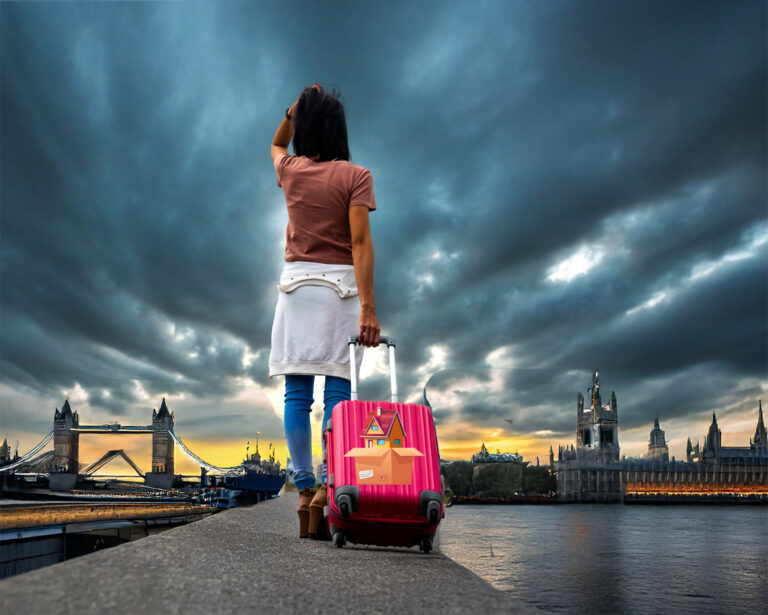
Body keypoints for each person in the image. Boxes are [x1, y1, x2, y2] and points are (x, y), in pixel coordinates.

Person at [269, 83, 380, 539]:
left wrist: (293, 108)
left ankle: (303, 492)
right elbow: (360, 244)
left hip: (296, 290)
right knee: (338, 396)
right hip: (340, 293)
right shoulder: (357, 176)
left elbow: (275, 143)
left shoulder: (290, 170)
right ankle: (330, 489)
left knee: (297, 396)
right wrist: (369, 309)